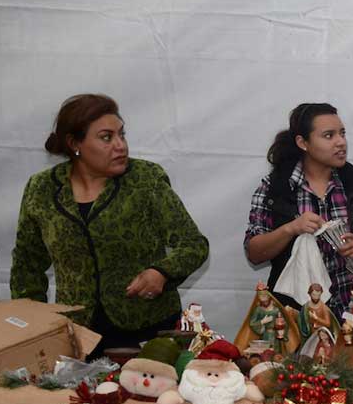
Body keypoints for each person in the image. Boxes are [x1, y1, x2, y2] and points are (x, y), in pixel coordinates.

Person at [11, 94, 209, 353]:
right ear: (74, 143)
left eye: (121, 135)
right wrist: (32, 328)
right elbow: (27, 266)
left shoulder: (145, 179)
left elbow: (193, 244)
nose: (120, 145)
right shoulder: (41, 189)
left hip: (147, 333)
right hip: (77, 336)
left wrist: (161, 272)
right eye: (106, 137)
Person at [245, 103, 353, 315]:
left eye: (342, 133)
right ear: (303, 142)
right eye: (328, 135)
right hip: (299, 314)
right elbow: (254, 253)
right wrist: (291, 228)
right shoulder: (275, 189)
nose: (340, 142)